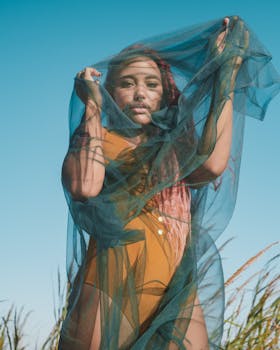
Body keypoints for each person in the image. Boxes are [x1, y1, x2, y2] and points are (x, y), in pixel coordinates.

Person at [58, 16, 279, 349]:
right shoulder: (99, 138)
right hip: (112, 279)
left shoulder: (176, 148)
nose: (139, 94)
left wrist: (226, 73)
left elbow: (214, 164)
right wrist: (91, 105)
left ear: (165, 94)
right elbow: (84, 187)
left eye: (151, 84)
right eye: (127, 83)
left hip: (176, 284)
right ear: (111, 92)